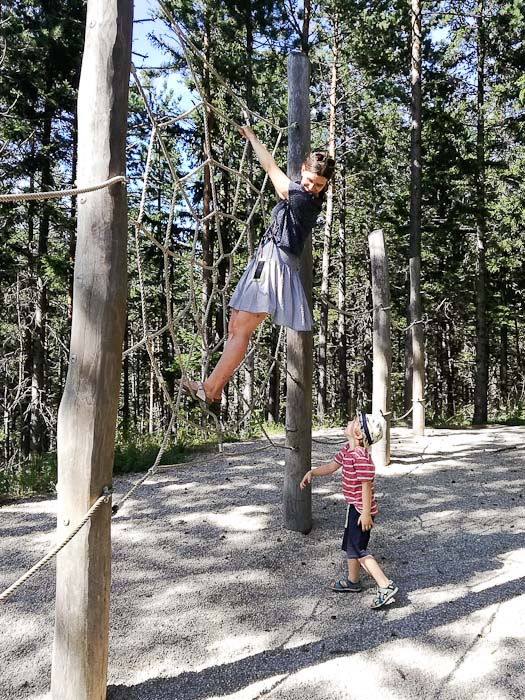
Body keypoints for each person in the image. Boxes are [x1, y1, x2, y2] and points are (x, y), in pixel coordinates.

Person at [182, 125, 335, 406]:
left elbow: (269, 167)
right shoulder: (299, 193)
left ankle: (210, 390)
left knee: (241, 329)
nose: (313, 187)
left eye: (319, 185)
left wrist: (252, 138)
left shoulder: (302, 199)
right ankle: (212, 389)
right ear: (303, 170)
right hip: (267, 259)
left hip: (275, 264)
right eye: (311, 180)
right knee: (234, 326)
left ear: (325, 186)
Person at [300, 412, 399, 609]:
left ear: (359, 434)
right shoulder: (347, 450)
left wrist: (365, 513)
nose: (349, 420)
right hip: (354, 507)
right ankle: (353, 581)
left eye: (354, 421)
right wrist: (312, 472)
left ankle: (385, 585)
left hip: (361, 510)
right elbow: (331, 466)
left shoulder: (360, 457)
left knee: (360, 550)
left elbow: (366, 485)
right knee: (350, 546)